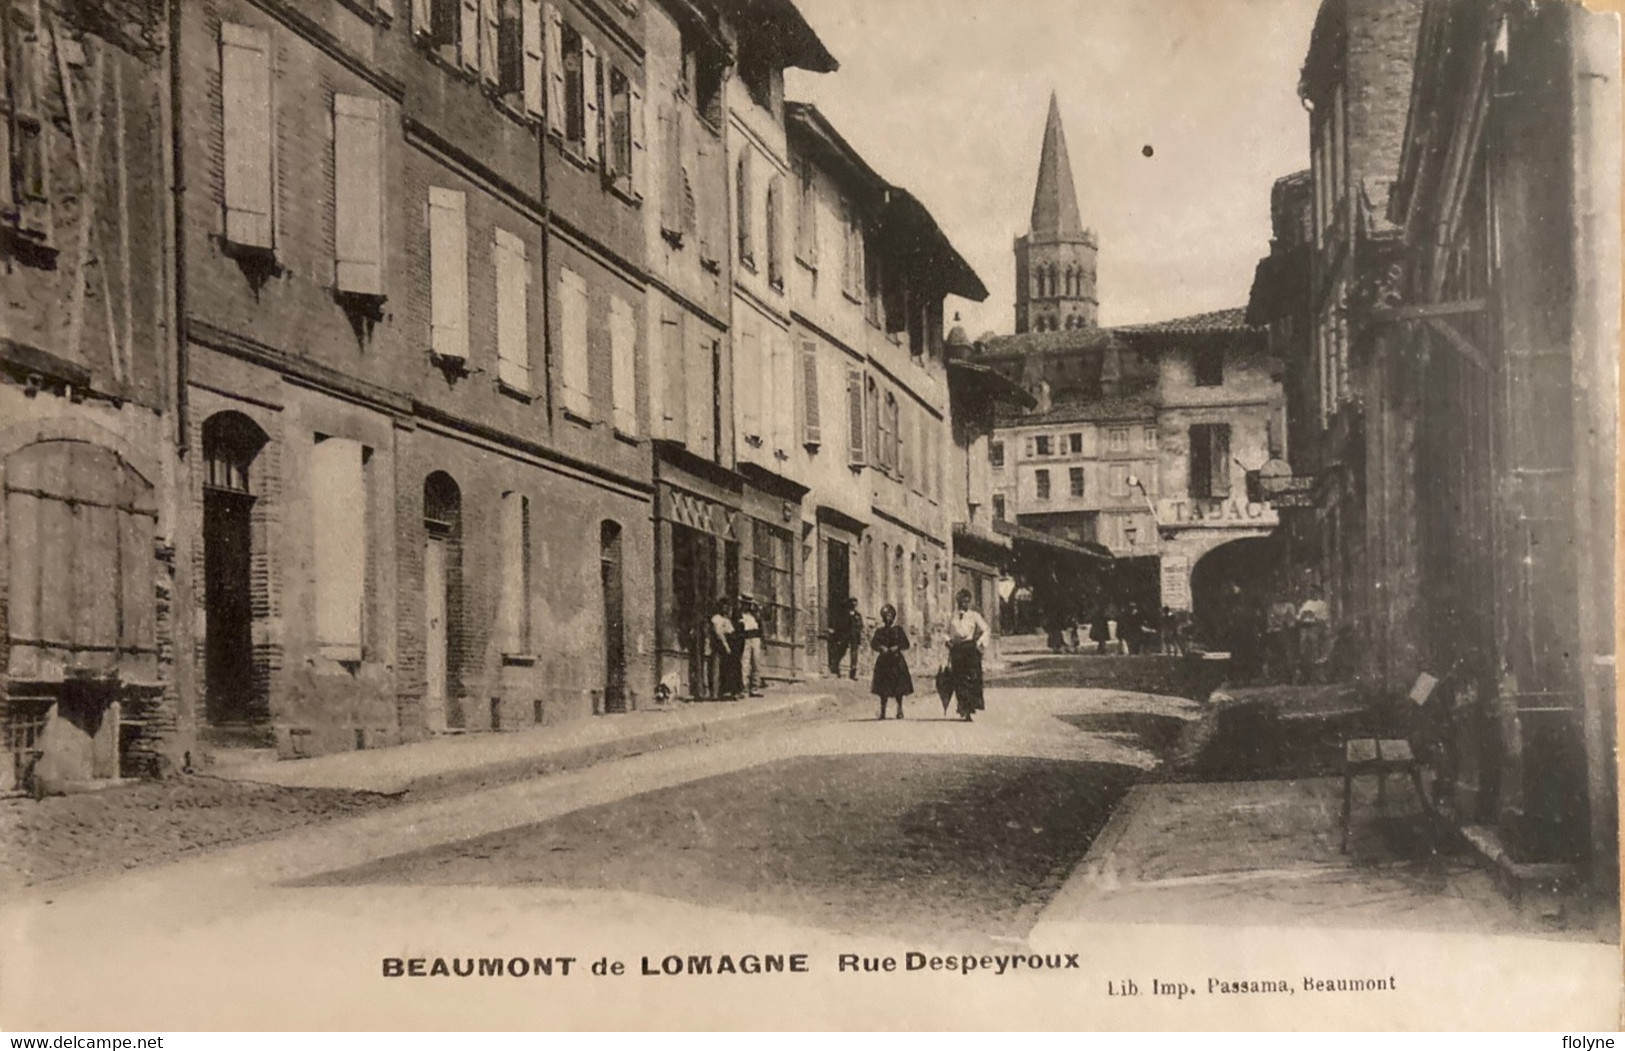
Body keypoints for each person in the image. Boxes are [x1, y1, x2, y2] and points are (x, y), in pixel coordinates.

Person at [945, 589, 990, 722]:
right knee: (959, 679)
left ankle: (970, 708)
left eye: (967, 602)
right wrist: (948, 641)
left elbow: (986, 629)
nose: (964, 604)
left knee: (972, 678)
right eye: (962, 601)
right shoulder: (952, 616)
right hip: (957, 650)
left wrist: (979, 643)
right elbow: (946, 632)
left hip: (970, 649)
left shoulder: (974, 615)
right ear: (958, 602)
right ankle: (963, 708)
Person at [869, 604, 913, 720]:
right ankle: (883, 711)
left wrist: (897, 647)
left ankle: (899, 709)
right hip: (884, 662)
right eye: (885, 616)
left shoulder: (898, 630)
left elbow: (906, 644)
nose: (888, 618)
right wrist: (880, 647)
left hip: (896, 661)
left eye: (890, 615)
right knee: (883, 688)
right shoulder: (879, 631)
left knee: (898, 687)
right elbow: (873, 644)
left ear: (893, 616)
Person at [708, 598, 740, 700]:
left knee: (726, 668)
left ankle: (725, 691)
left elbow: (731, 631)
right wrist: (726, 645)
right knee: (716, 667)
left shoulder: (727, 619)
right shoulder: (716, 618)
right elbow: (719, 633)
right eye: (724, 606)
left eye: (727, 606)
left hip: (729, 643)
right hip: (719, 644)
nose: (726, 608)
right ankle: (715, 693)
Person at [828, 597, 864, 680]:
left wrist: (858, 630)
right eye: (852, 603)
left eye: (855, 603)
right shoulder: (844, 614)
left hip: (855, 637)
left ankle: (853, 673)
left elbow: (860, 625)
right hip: (845, 636)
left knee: (854, 654)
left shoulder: (857, 615)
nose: (854, 605)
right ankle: (836, 668)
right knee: (841, 651)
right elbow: (841, 624)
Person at [738, 597, 765, 697]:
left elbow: (761, 626)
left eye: (748, 604)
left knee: (756, 663)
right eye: (745, 604)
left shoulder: (755, 616)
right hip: (746, 639)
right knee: (745, 663)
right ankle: (744, 688)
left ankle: (755, 688)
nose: (747, 606)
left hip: (756, 639)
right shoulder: (739, 614)